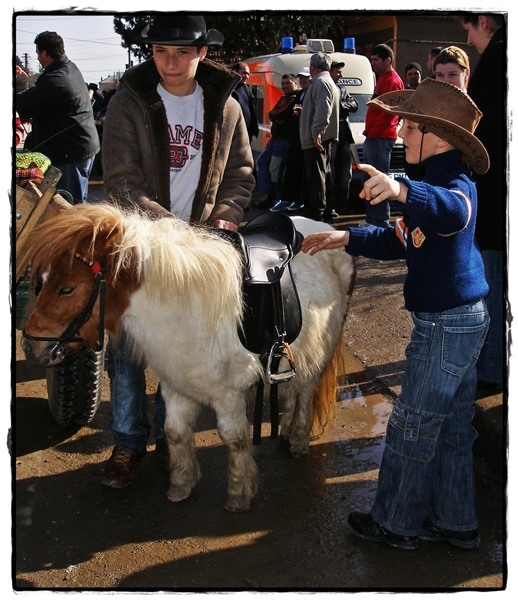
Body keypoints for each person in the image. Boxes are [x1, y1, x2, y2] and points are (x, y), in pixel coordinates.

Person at [301, 78, 490, 551]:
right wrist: (347, 238)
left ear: (439, 138)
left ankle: (396, 522)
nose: (401, 132)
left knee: (413, 425)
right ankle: (457, 522)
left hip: (447, 326)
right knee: (450, 428)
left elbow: (454, 212)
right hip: (460, 321)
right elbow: (400, 239)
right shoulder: (433, 183)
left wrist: (401, 189)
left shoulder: (452, 185)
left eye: (410, 126)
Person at [100, 14, 255, 488]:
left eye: (182, 52)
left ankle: (172, 432)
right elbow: (121, 182)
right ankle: (128, 441)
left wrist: (225, 216)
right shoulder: (128, 103)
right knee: (127, 347)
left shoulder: (225, 107)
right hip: (141, 243)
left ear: (202, 53)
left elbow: (240, 174)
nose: (170, 62)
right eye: (161, 51)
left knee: (183, 342)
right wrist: (168, 230)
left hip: (199, 247)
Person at [461, 12, 506, 392]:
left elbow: (486, 133)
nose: (469, 39)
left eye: (470, 30)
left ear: (484, 21)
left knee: (493, 288)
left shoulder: (498, 60)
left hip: (496, 202)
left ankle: (491, 370)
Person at [16, 31, 100, 203]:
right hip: (79, 148)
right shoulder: (69, 68)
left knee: (70, 208)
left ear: (44, 53)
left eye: (38, 53)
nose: (38, 58)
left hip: (70, 154)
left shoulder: (56, 80)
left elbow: (22, 104)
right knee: (75, 205)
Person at [360, 43, 404, 229]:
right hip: (375, 136)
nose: (373, 63)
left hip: (380, 138)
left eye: (376, 60)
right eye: (371, 60)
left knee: (378, 180)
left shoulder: (391, 81)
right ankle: (373, 219)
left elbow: (387, 114)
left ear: (388, 60)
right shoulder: (383, 79)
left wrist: (372, 132)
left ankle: (380, 222)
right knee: (371, 180)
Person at [299, 51, 340, 222]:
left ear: (312, 67)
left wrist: (316, 133)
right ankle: (326, 210)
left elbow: (324, 111)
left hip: (317, 139)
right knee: (324, 174)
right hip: (324, 137)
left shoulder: (321, 82)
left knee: (317, 177)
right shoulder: (327, 82)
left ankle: (318, 213)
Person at [270, 66, 311, 213]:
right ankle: (285, 199)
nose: (303, 80)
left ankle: (299, 201)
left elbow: (283, 114)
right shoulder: (299, 95)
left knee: (297, 172)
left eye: (306, 77)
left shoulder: (310, 93)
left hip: (306, 138)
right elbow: (274, 114)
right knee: (290, 170)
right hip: (294, 138)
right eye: (301, 78)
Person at [255, 73, 298, 208]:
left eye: (288, 83)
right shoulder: (283, 99)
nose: (285, 86)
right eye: (283, 83)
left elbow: (279, 114)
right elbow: (272, 113)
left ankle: (274, 199)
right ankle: (265, 194)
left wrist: (276, 115)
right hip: (275, 139)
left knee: (276, 170)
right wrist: (276, 116)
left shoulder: (296, 99)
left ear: (295, 83)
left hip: (284, 141)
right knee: (261, 162)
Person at [328, 60, 358, 214]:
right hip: (330, 134)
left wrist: (340, 105)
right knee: (330, 171)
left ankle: (341, 206)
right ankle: (330, 206)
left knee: (345, 173)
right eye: (338, 71)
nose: (341, 75)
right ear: (329, 72)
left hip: (344, 134)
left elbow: (354, 105)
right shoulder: (324, 87)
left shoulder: (342, 89)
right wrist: (341, 105)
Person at [231, 61, 259, 142]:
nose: (246, 76)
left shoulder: (246, 89)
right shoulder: (228, 88)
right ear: (235, 71)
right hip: (233, 133)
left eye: (248, 74)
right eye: (244, 73)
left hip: (246, 134)